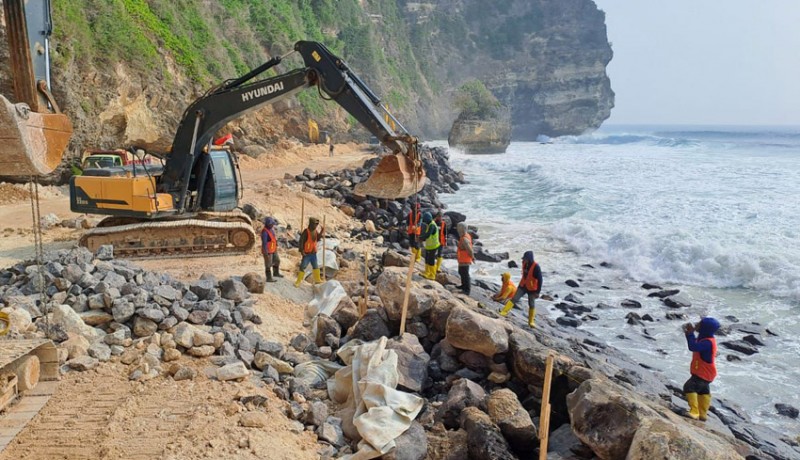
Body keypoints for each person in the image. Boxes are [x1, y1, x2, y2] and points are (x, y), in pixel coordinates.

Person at [682, 317, 720, 421]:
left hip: (703, 372)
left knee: (689, 387)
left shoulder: (707, 343)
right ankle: (703, 414)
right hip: (708, 372)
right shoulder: (707, 339)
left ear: (704, 328)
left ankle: (694, 412)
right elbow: (696, 344)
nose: (696, 325)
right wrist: (690, 334)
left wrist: (690, 334)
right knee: (703, 391)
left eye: (699, 324)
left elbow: (693, 347)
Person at [500, 251, 542, 328]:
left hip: (532, 289)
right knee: (514, 299)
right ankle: (504, 311)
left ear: (529, 259)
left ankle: (531, 322)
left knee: (531, 304)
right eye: (524, 259)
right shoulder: (524, 263)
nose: (524, 260)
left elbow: (540, 280)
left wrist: (538, 292)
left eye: (525, 259)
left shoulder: (536, 267)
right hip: (523, 285)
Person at [294, 217, 325, 287]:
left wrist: (322, 231)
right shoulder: (306, 231)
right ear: (311, 224)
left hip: (313, 253)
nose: (316, 225)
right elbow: (301, 242)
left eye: (317, 224)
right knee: (303, 266)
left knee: (315, 266)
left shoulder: (315, 231)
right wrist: (302, 251)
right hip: (307, 253)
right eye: (315, 224)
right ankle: (298, 281)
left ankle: (317, 279)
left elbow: (318, 238)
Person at [419, 212, 440, 280]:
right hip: (429, 246)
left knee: (431, 260)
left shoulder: (432, 225)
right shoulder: (429, 224)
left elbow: (428, 235)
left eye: (425, 221)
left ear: (427, 219)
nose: (425, 222)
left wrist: (420, 237)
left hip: (433, 246)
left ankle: (432, 275)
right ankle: (427, 272)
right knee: (427, 259)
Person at [260, 217, 282, 282]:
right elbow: (264, 243)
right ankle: (269, 278)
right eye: (271, 224)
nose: (273, 225)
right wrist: (266, 252)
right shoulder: (265, 232)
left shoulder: (271, 230)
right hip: (268, 250)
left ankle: (276, 273)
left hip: (273, 249)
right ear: (268, 224)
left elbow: (273, 238)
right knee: (268, 264)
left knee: (277, 260)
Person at [455, 222, 474, 294]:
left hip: (465, 260)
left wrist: (472, 257)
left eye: (458, 228)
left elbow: (470, 250)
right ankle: (463, 285)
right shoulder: (464, 236)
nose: (457, 230)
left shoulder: (465, 239)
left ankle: (467, 289)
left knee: (465, 274)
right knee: (461, 272)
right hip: (462, 259)